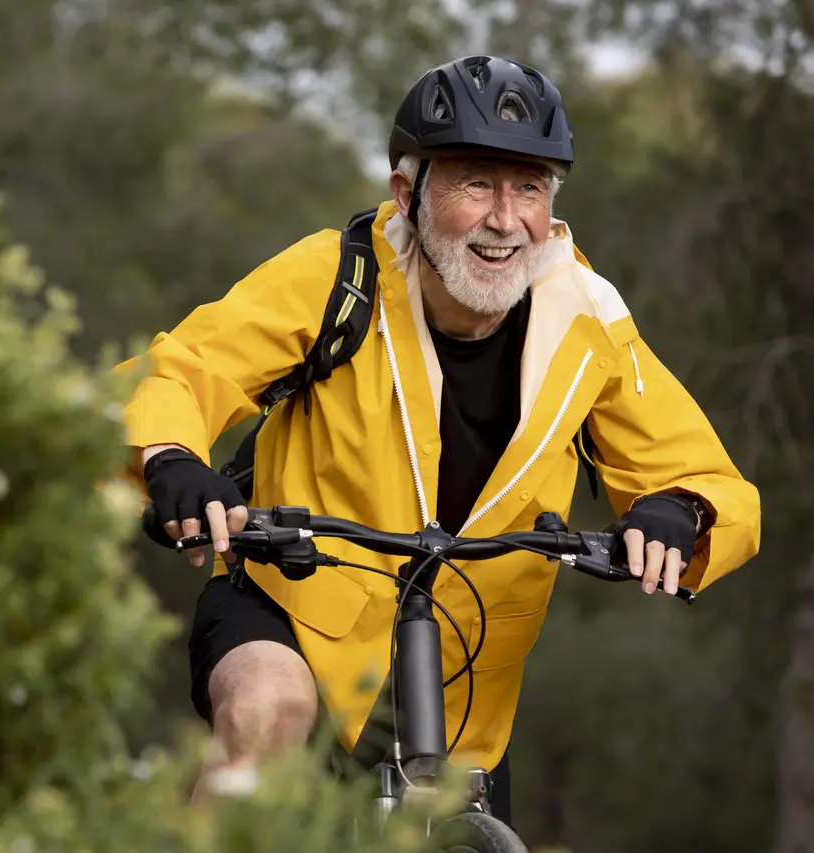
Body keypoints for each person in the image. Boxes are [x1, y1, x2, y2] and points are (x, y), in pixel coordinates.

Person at [114, 55, 761, 824]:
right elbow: (181, 371)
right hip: (293, 618)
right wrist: (173, 459)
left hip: (462, 683)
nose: (505, 217)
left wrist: (677, 509)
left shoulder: (586, 324)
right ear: (407, 194)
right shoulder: (339, 278)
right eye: (476, 184)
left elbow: (711, 480)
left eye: (529, 188)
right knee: (264, 712)